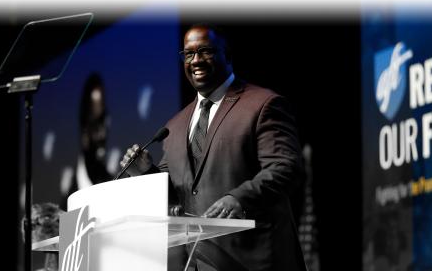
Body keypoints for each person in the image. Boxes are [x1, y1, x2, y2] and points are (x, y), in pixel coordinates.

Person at [120, 24, 307, 271]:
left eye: (205, 51)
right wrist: (145, 172)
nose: (196, 60)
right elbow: (180, 191)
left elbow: (286, 168)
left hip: (257, 262)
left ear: (227, 55)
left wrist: (238, 199)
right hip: (200, 263)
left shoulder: (262, 105)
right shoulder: (174, 126)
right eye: (188, 54)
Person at [60, 73, 111, 210]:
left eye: (103, 121)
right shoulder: (68, 201)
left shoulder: (113, 188)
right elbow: (69, 231)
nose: (102, 133)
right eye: (95, 122)